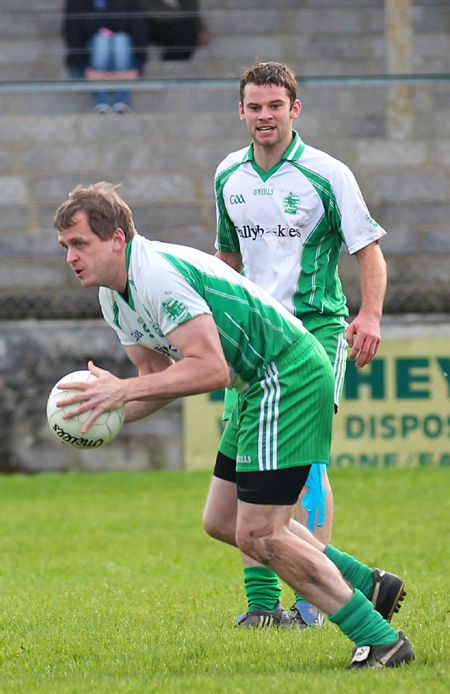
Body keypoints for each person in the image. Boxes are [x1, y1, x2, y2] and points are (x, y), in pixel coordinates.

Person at [52, 182, 414, 670]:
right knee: (223, 522)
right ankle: (367, 583)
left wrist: (120, 392)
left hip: (286, 373)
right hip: (256, 383)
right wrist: (100, 414)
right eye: (65, 247)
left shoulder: (156, 275)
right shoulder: (113, 297)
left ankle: (381, 640)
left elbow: (210, 370)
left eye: (80, 244)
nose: (71, 257)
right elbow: (153, 380)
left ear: (117, 239)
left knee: (261, 534)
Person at [214, 61, 388, 628]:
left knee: (303, 466)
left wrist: (370, 314)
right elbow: (226, 262)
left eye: (275, 106)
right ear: (241, 111)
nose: (265, 116)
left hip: (314, 332)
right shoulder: (228, 177)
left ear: (295, 109)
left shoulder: (327, 174)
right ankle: (262, 605)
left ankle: (314, 600)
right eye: (255, 107)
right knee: (245, 465)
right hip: (250, 340)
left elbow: (367, 250)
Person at [62, 0, 149, 114]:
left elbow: (141, 33)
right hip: (89, 64)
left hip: (123, 62)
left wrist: (136, 69)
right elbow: (72, 37)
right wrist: (86, 70)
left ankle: (121, 100)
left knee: (121, 39)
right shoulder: (77, 3)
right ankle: (101, 101)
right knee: (101, 41)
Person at [144, 0, 210, 61]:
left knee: (188, 33)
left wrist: (200, 28)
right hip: (143, 17)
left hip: (167, 18)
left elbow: (189, 5)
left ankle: (170, 68)